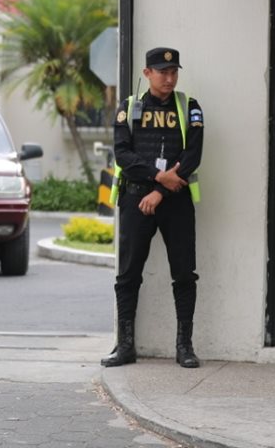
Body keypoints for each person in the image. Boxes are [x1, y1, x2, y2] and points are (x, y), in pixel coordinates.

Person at [102, 47, 204, 369]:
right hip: (136, 200)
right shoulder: (129, 108)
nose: (169, 78)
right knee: (128, 275)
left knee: (184, 274)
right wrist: (159, 178)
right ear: (147, 73)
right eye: (162, 72)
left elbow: (192, 156)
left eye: (173, 72)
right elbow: (123, 155)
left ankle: (185, 347)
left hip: (175, 201)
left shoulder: (189, 107)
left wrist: (159, 191)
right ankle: (125, 346)